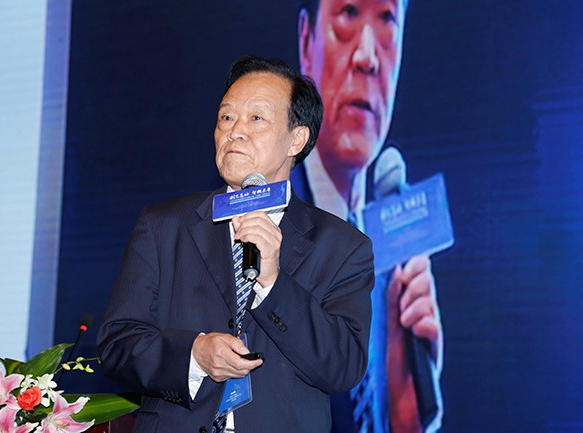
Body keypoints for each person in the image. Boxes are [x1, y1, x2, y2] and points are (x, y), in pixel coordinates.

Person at [97, 55, 375, 433]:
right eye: (226, 117)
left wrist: (273, 283)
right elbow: (117, 345)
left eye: (256, 118)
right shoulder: (164, 225)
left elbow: (343, 367)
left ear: (297, 138)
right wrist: (194, 355)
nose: (235, 131)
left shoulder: (342, 247)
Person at [292, 1, 444, 432]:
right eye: (348, 14)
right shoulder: (258, 226)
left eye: (387, 21)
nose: (367, 56)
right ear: (307, 41)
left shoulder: (390, 250)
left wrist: (405, 412)